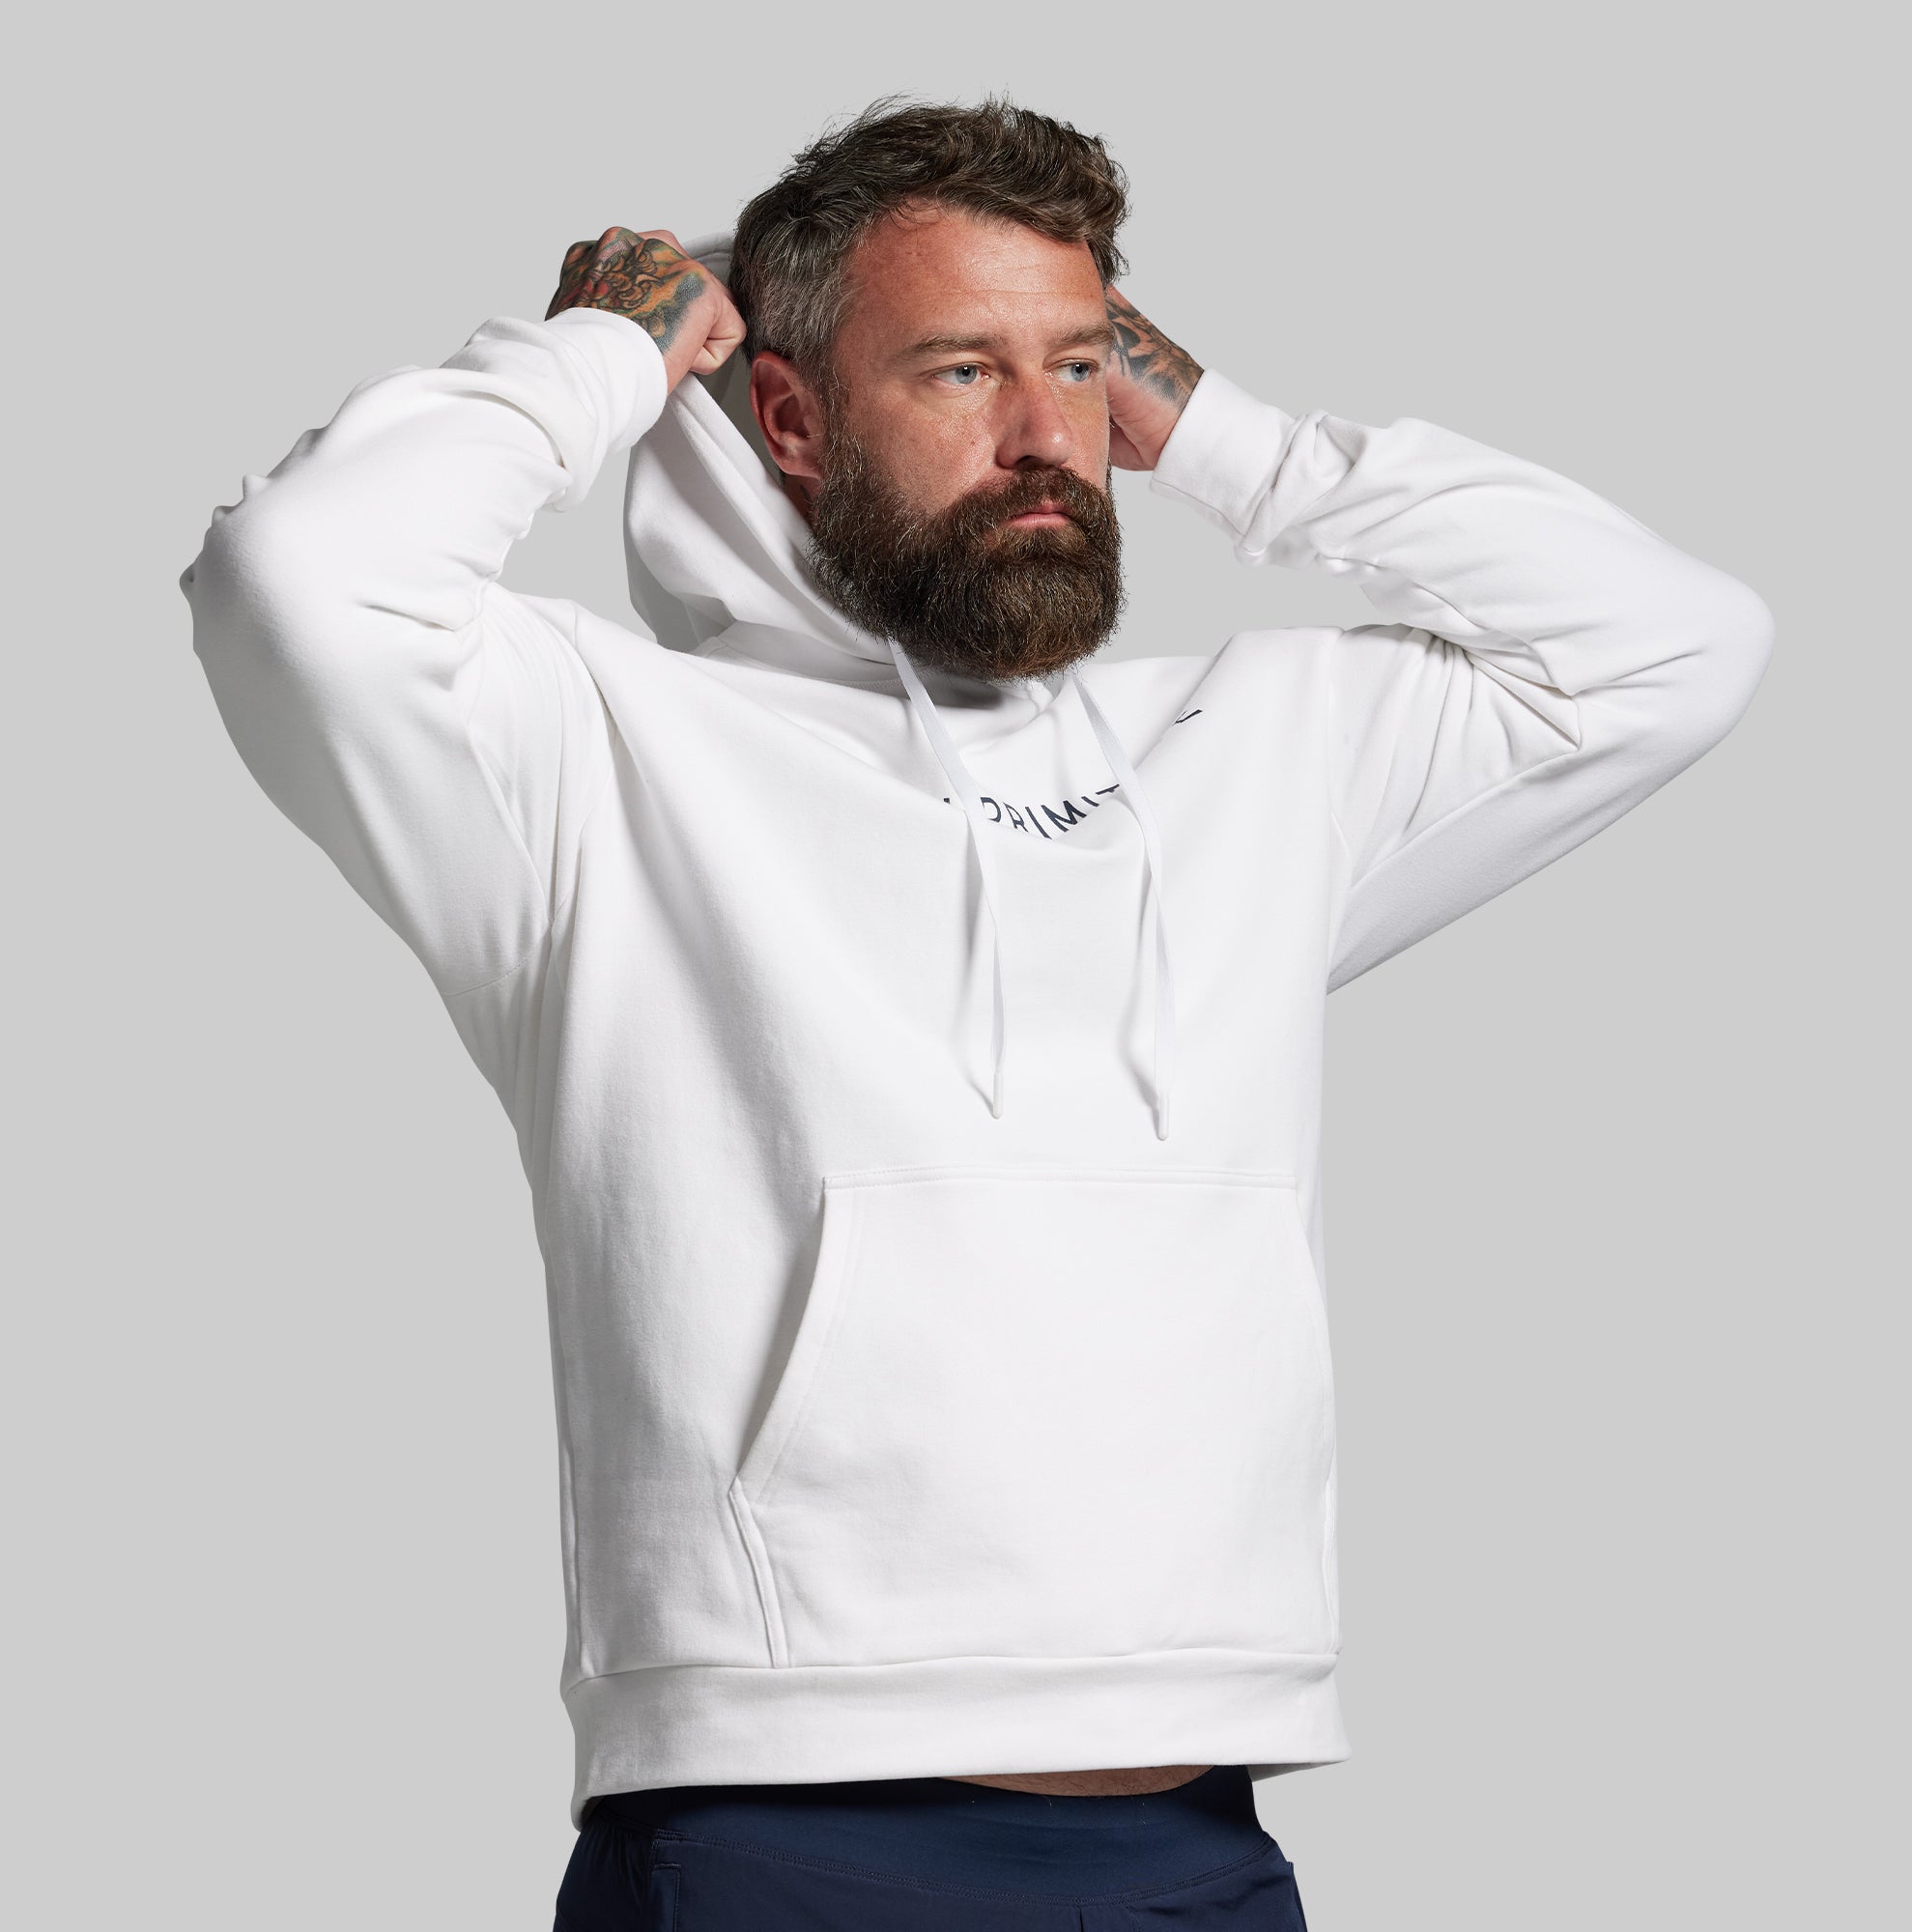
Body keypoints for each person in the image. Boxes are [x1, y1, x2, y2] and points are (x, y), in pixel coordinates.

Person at [183, 96, 1772, 1930]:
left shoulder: (1261, 751)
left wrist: (1232, 438)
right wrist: (602, 352)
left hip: (1204, 1831)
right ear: (791, 418)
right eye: (960, 370)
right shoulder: (589, 757)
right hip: (782, 1835)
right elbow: (297, 581)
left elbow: (1679, 644)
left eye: (1077, 366)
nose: (1046, 438)